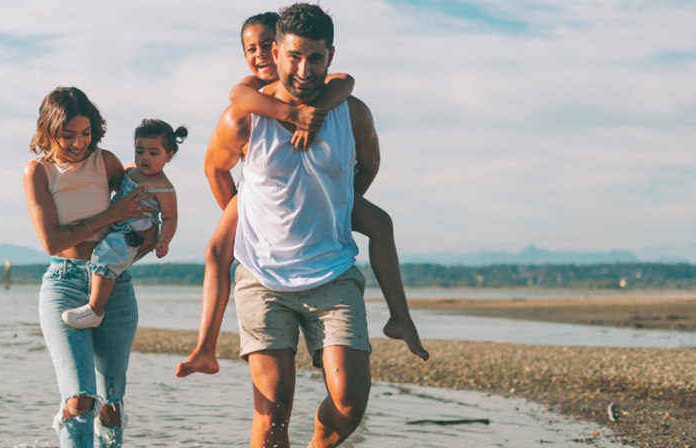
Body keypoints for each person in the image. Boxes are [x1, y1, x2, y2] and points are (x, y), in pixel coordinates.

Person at [187, 4, 424, 447]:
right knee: (273, 410)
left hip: (332, 272)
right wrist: (244, 212)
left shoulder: (352, 115)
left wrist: (335, 202)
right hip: (261, 278)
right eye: (293, 56)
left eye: (315, 58)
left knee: (351, 403)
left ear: (330, 57)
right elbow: (214, 169)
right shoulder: (242, 118)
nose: (303, 68)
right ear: (275, 53)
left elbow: (368, 163)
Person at [23, 86, 154, 447]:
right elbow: (52, 241)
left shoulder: (106, 162)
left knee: (110, 404)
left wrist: (151, 233)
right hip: (63, 284)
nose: (79, 143)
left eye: (86, 133)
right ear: (49, 130)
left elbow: (143, 200)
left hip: (114, 285)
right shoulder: (38, 171)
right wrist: (110, 215)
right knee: (80, 398)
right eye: (69, 135)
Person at [61, 119, 184, 329]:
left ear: (169, 156)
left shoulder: (165, 188)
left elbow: (170, 218)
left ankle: (95, 309)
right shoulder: (130, 171)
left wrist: (163, 240)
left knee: (105, 257)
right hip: (116, 222)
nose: (145, 157)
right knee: (98, 248)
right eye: (140, 151)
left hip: (134, 232)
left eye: (153, 153)